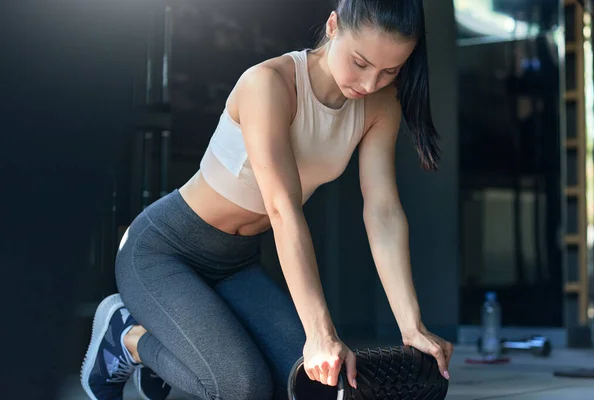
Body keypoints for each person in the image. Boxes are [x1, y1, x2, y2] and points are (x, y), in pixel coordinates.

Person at [80, 0, 453, 399]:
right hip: (163, 252)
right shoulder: (270, 83)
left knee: (307, 383)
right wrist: (320, 333)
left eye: (390, 71)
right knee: (243, 385)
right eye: (360, 62)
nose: (369, 83)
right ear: (333, 26)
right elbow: (283, 209)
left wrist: (411, 326)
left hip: (235, 264)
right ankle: (128, 337)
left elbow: (382, 211)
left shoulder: (381, 104)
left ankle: (180, 344)